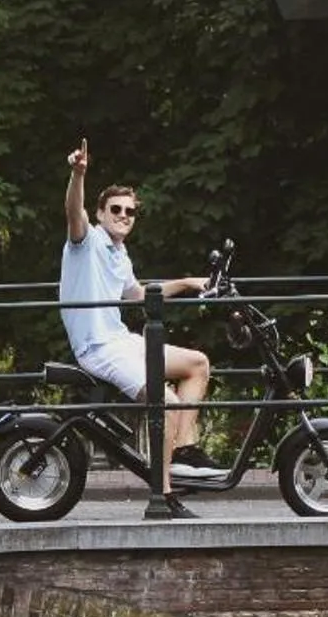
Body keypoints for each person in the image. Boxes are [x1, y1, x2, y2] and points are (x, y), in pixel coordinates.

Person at [59, 140, 223, 484]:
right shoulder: (85, 242)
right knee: (165, 400)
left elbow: (137, 295)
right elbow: (74, 211)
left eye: (129, 212)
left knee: (198, 364)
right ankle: (163, 493)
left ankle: (184, 452)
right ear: (101, 214)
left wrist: (189, 282)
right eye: (116, 209)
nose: (123, 216)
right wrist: (78, 174)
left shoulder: (120, 253)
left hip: (121, 340)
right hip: (98, 348)